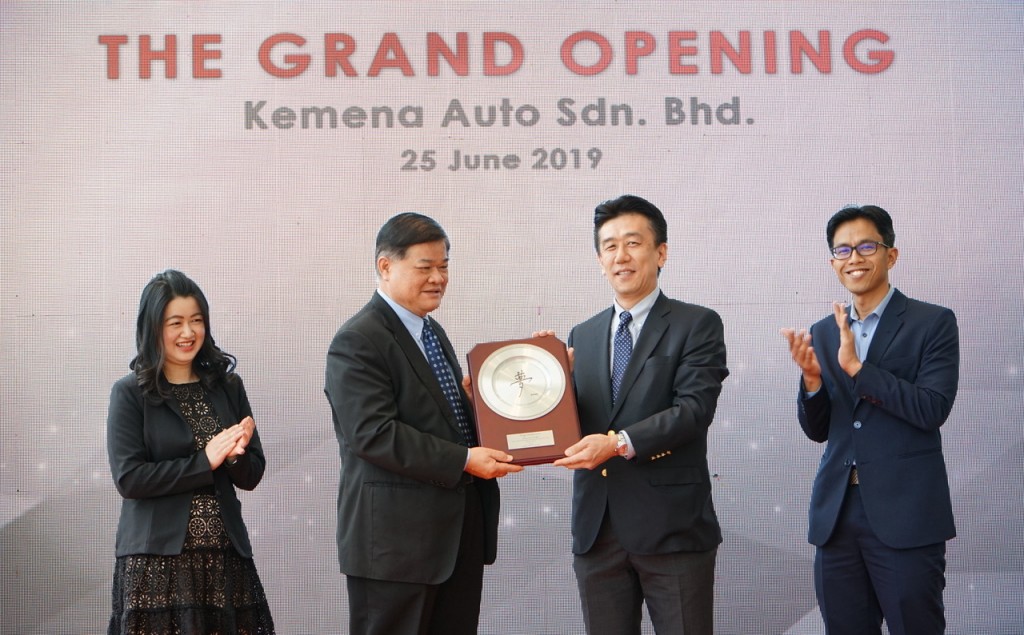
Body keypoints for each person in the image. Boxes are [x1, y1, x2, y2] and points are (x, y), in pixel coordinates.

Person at [324, 212, 523, 635]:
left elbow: (438, 418)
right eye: (425, 267)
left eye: (444, 266)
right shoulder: (358, 340)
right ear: (386, 266)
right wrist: (465, 460)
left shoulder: (432, 333)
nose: (438, 278)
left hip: (453, 538)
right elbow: (373, 434)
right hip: (396, 549)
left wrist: (487, 403)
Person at [552, 195, 729, 635]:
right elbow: (575, 420)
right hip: (598, 531)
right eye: (609, 246)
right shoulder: (583, 334)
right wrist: (545, 382)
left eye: (633, 243)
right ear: (599, 259)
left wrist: (616, 444)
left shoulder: (697, 324)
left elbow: (692, 411)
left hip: (671, 529)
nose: (621, 256)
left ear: (661, 252)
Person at [780, 204, 959, 635]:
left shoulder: (932, 322)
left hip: (906, 514)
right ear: (832, 263)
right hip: (837, 515)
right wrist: (810, 382)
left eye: (866, 246)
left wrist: (860, 370)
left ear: (890, 255)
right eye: (843, 250)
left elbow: (932, 408)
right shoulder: (823, 330)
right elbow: (819, 429)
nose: (854, 258)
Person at [106, 269, 274, 634]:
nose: (188, 333)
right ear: (153, 328)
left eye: (196, 321)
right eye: (175, 322)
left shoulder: (227, 385)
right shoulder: (130, 393)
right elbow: (130, 478)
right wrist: (205, 461)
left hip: (225, 560)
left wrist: (234, 454)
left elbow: (252, 473)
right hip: (156, 565)